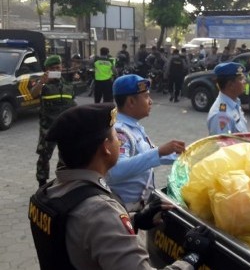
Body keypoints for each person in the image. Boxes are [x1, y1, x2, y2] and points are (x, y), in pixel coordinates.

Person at [29, 103, 214, 270]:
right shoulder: (99, 210)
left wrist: (137, 220)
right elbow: (96, 224)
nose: (120, 140)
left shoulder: (48, 193)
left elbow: (84, 237)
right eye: (116, 136)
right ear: (106, 148)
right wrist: (190, 258)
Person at [107, 74, 185, 212]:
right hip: (126, 211)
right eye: (146, 97)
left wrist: (187, 155)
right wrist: (159, 151)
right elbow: (115, 171)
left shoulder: (133, 127)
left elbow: (153, 156)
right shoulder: (120, 132)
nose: (151, 101)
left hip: (139, 207)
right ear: (131, 101)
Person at [30, 55, 77, 187]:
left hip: (65, 128)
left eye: (58, 67)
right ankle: (42, 183)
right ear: (47, 69)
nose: (57, 69)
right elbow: (33, 94)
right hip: (48, 128)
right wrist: (42, 81)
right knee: (44, 156)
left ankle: (61, 181)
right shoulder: (43, 84)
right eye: (53, 68)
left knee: (65, 156)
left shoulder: (68, 84)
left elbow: (73, 103)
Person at [207, 62, 248, 135]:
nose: (244, 81)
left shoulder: (234, 103)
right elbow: (223, 145)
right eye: (241, 79)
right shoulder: (221, 115)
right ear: (231, 85)